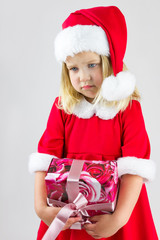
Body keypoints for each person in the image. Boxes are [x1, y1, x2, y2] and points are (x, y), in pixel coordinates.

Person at [29, 6, 158, 240]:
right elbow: (44, 160)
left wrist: (119, 219)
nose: (83, 76)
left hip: (117, 212)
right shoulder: (63, 108)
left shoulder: (127, 109)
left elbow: (134, 169)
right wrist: (41, 209)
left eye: (92, 64)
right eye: (74, 68)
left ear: (110, 61)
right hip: (70, 214)